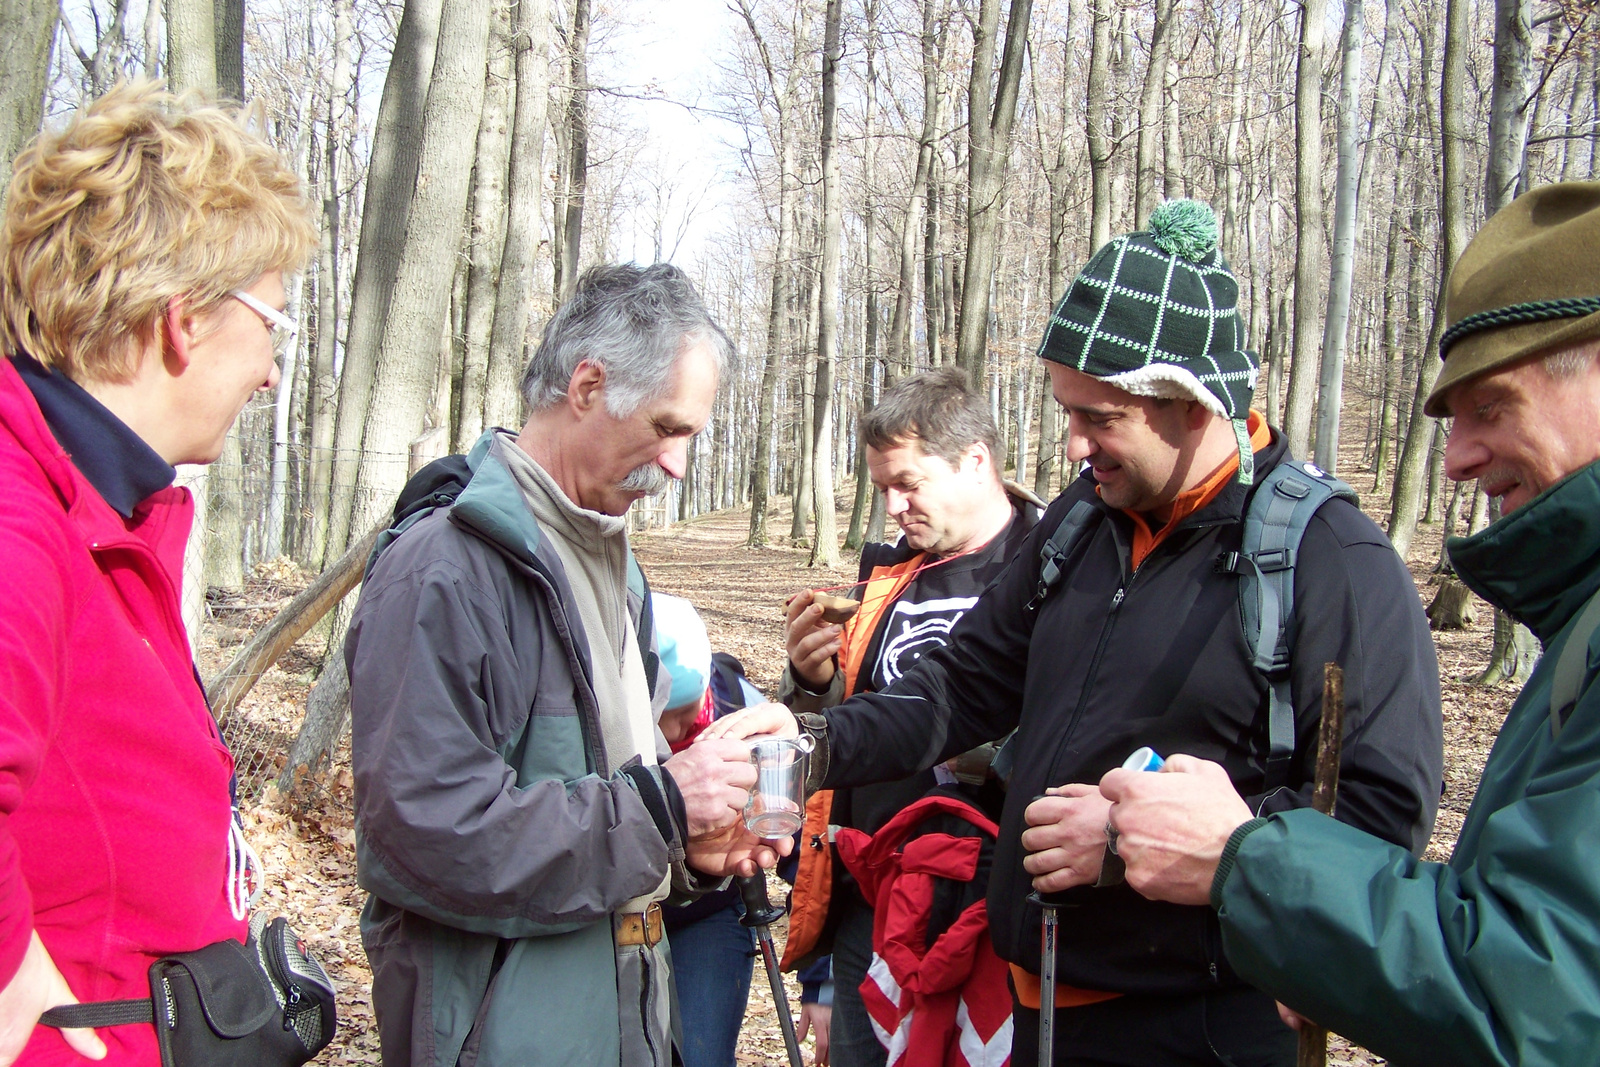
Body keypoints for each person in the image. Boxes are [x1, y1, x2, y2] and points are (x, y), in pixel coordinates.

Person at [708, 200, 1443, 1066]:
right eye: (1069, 414)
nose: (1072, 446)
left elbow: (1377, 808)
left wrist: (1130, 839)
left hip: (1203, 1026)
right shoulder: (1081, 525)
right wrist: (812, 740)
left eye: (1100, 419)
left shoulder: (1329, 559)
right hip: (1041, 1004)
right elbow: (960, 685)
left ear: (1193, 404)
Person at [1100, 182, 1600, 1067]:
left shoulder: (1334, 554)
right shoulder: (1083, 533)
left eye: (1493, 405)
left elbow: (1541, 1002)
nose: (1457, 457)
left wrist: (1243, 861)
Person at [346, 264, 788, 1067]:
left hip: (623, 1023)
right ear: (587, 384)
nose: (679, 465)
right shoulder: (445, 568)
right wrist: (659, 809)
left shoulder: (615, 564)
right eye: (667, 426)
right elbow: (420, 834)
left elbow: (614, 799)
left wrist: (687, 851)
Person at [0, 81, 314, 1065]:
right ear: (184, 321)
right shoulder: (21, 515)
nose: (270, 371)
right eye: (273, 326)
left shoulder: (100, 514)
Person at [779, 366, 1039, 1067]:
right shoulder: (882, 582)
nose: (892, 506)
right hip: (877, 908)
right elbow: (832, 786)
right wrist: (810, 682)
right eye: (881, 488)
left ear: (976, 462)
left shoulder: (1053, 573)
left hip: (998, 908)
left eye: (908, 483)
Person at [654, 592, 834, 1067]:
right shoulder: (603, 714)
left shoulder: (742, 715)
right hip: (615, 913)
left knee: (699, 1055)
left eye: (686, 712)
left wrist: (821, 977)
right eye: (660, 716)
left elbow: (803, 847)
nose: (674, 733)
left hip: (709, 913)